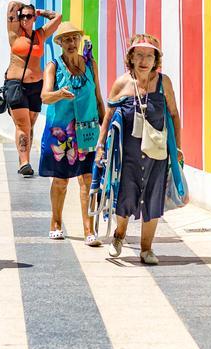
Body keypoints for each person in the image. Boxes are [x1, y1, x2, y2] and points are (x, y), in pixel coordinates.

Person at [97, 34, 184, 265]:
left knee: (153, 199)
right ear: (131, 58)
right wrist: (101, 145)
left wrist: (178, 149)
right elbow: (108, 115)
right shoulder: (122, 83)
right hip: (128, 154)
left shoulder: (164, 83)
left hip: (157, 153)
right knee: (125, 196)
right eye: (139, 55)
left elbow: (174, 114)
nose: (144, 60)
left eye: (149, 55)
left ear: (156, 59)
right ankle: (120, 234)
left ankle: (146, 249)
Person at [38, 22, 104, 245]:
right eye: (67, 39)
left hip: (87, 131)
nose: (72, 43)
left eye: (75, 38)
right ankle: (55, 222)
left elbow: (98, 95)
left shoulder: (90, 64)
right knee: (61, 180)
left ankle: (88, 228)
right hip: (61, 133)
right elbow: (44, 97)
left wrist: (104, 124)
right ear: (60, 44)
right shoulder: (53, 66)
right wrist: (59, 93)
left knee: (87, 179)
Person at [5, 2, 61, 177]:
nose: (25, 19)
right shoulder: (14, 33)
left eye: (29, 16)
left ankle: (24, 157)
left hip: (36, 86)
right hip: (16, 85)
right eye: (22, 16)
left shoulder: (40, 35)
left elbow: (58, 18)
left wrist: (39, 12)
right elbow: (11, 5)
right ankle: (25, 162)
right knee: (23, 124)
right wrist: (22, 7)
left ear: (34, 18)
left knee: (30, 125)